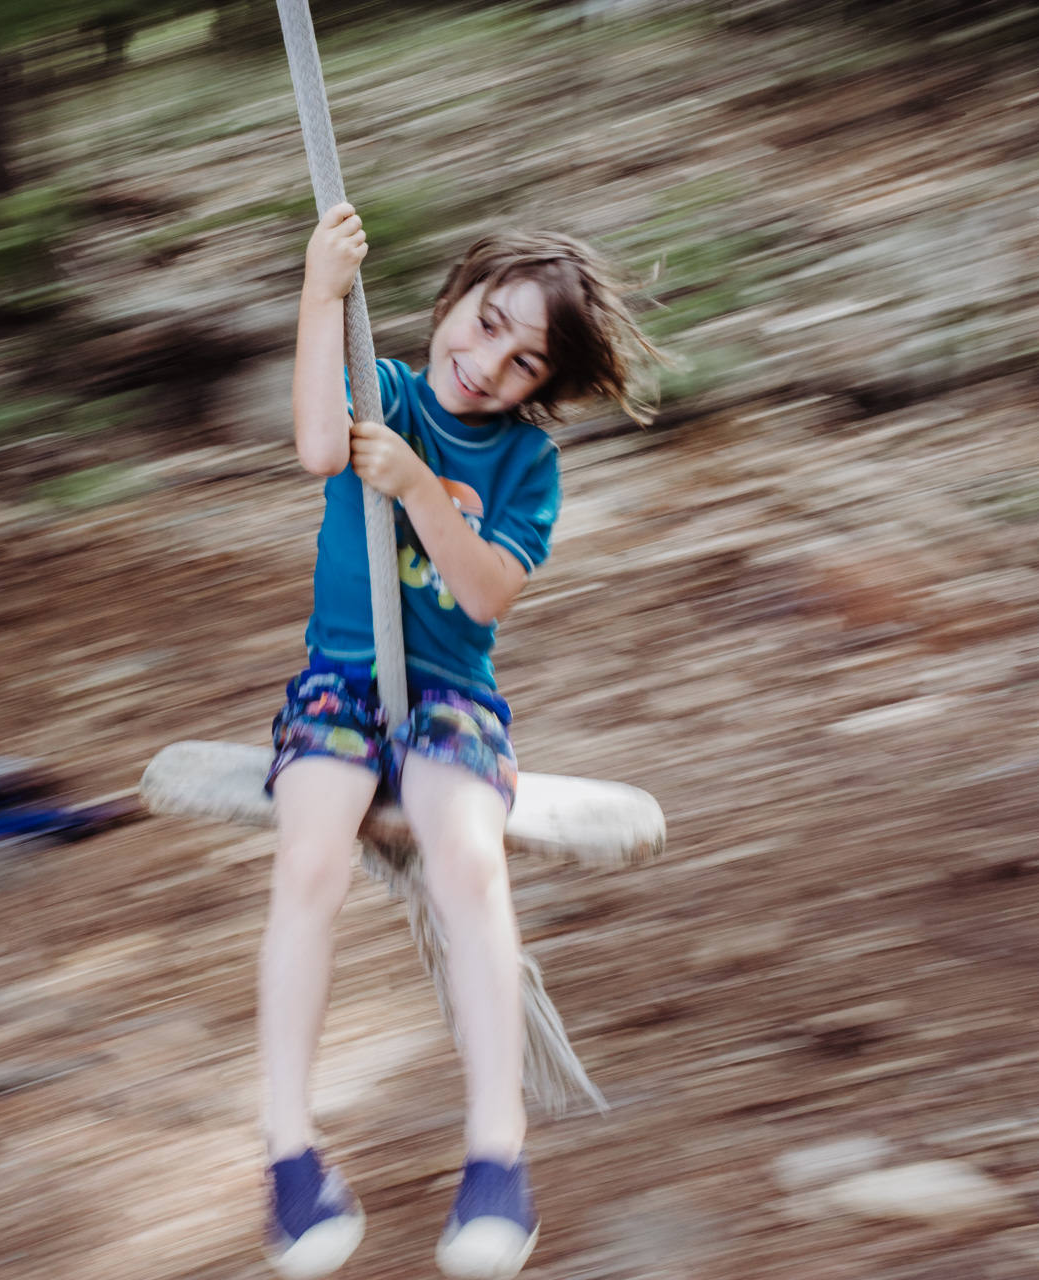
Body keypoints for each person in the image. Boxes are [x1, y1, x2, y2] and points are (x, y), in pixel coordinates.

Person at [260, 202, 657, 1280]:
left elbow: (482, 599)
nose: (488, 363)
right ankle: (290, 1151)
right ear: (449, 306)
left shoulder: (528, 466)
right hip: (339, 681)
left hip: (450, 695)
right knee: (307, 859)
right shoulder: (378, 388)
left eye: (524, 359)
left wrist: (420, 491)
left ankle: (497, 1157)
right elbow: (310, 446)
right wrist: (318, 289)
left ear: (545, 384)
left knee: (470, 864)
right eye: (484, 325)